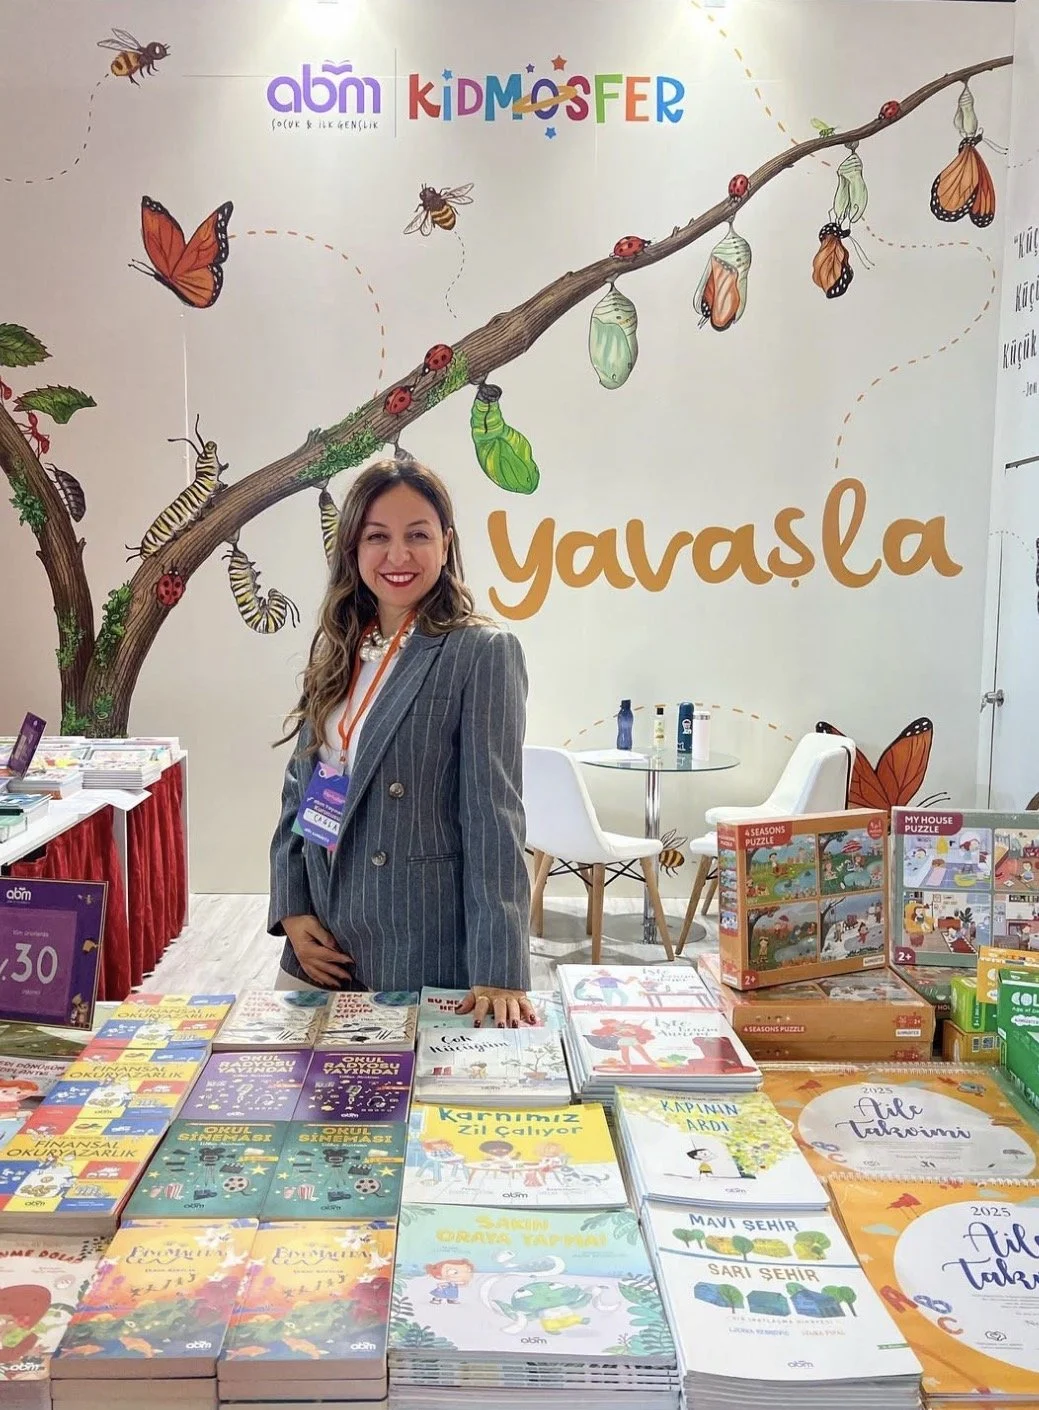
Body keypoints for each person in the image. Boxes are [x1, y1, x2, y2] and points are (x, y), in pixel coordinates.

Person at [268, 458, 534, 1028]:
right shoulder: (341, 645)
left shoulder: (480, 651)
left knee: (400, 1084)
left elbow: (494, 816)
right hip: (321, 939)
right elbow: (303, 786)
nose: (398, 555)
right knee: (301, 1079)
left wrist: (500, 968)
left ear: (446, 543)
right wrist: (292, 908)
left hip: (415, 938)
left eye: (417, 535)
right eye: (377, 537)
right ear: (352, 548)